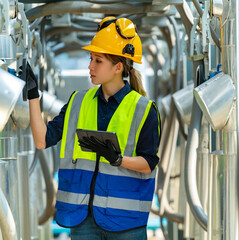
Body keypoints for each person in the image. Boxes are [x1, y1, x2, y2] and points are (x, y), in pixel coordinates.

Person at [24, 17, 160, 239]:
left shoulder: (144, 109)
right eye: (91, 59)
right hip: (83, 219)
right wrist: (32, 95)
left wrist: (118, 159)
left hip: (126, 223)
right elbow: (42, 140)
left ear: (118, 67)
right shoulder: (78, 102)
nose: (90, 66)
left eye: (98, 60)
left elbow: (149, 164)